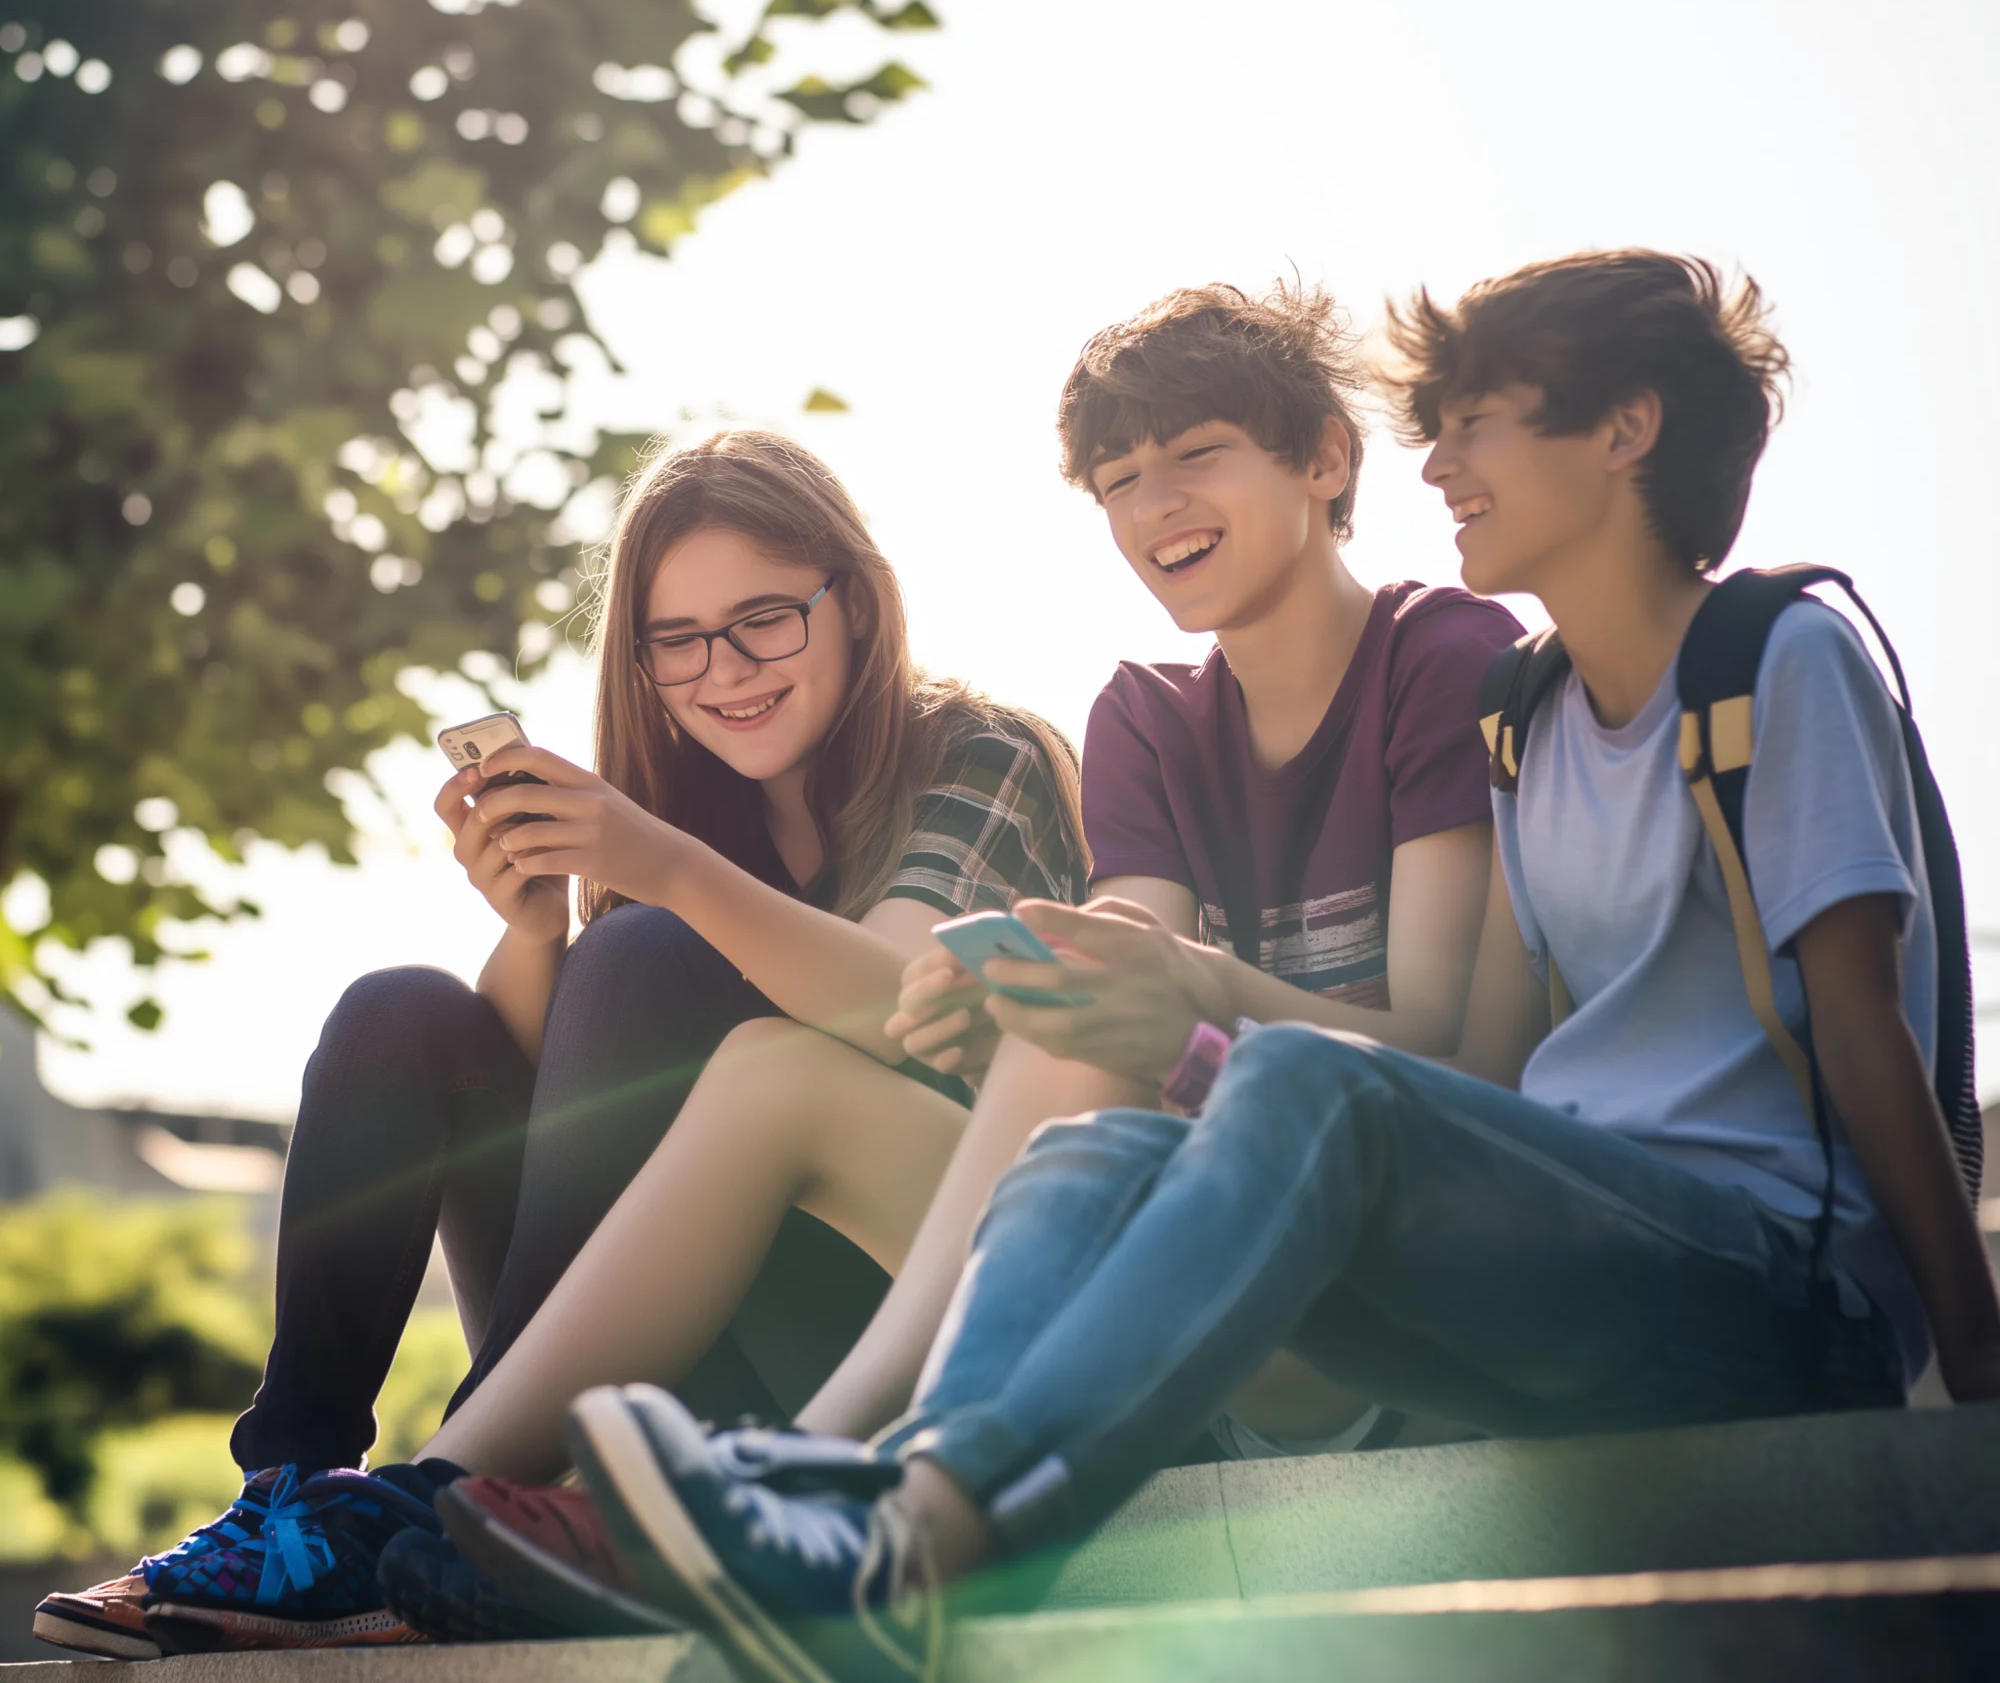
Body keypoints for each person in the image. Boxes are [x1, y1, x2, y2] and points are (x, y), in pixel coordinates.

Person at [537, 253, 2000, 1683]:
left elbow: (1867, 1036)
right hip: (1567, 1251)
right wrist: (1075, 1000)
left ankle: (924, 1531)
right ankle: (863, 1493)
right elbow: (1489, 1075)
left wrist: (1974, 1364)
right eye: (1118, 480)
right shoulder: (1526, 722)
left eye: (1480, 421)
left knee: (1297, 1075)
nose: (1438, 466)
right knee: (1092, 1160)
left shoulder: (1776, 658)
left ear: (1626, 430)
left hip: (1773, 1287)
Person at [434, 279, 1522, 1629]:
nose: (1158, 506)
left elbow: (1453, 1054)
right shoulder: (1146, 718)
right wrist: (998, 1003)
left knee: (849, 1019)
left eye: (1197, 457)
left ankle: (809, 1482)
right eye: (1121, 480)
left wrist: (1170, 993)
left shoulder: (1445, 657)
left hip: (1339, 1298)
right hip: (1136, 1257)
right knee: (770, 1069)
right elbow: (1115, 1010)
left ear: (1326, 459)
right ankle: (424, 1498)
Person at [33, 429, 1087, 1661]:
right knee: (404, 1009)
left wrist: (664, 875)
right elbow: (579, 1115)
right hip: (653, 1339)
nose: (723, 669)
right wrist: (536, 931)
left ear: (853, 602)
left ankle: (410, 1510)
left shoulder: (975, 753)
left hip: (898, 1323)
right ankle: (293, 1496)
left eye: (763, 620)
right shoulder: (693, 806)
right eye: (676, 638)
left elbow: (903, 1000)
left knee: (645, 951)